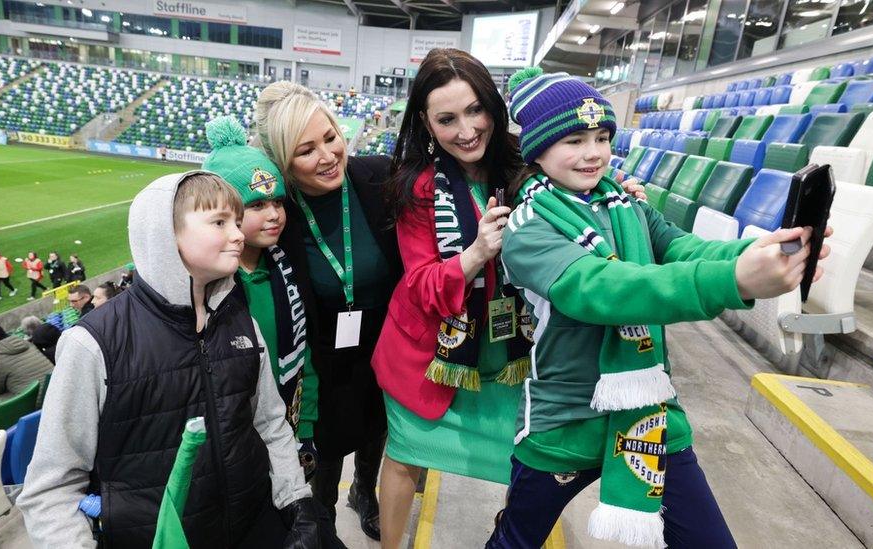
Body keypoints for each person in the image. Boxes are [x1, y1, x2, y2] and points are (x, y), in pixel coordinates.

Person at [487, 68, 832, 549]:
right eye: (574, 139)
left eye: (603, 136)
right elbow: (603, 289)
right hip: (566, 418)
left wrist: (763, 252)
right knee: (516, 542)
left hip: (648, 412)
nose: (593, 153)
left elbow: (684, 248)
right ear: (538, 149)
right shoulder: (527, 227)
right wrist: (734, 280)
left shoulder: (626, 204)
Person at [373, 49, 649, 548]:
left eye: (476, 110)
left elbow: (586, 198)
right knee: (404, 455)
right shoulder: (415, 186)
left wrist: (618, 197)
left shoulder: (531, 166)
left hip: (511, 357)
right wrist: (475, 254)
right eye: (447, 119)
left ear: (495, 108)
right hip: (427, 356)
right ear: (425, 121)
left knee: (519, 465)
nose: (466, 130)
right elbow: (419, 284)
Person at [17, 171, 341, 547]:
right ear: (165, 233)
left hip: (255, 526)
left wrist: (294, 501)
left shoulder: (243, 323)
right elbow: (52, 488)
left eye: (236, 222)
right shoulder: (92, 344)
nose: (238, 234)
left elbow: (270, 424)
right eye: (219, 222)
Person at [256, 81, 403, 540]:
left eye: (331, 137)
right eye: (306, 150)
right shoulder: (280, 216)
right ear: (283, 161)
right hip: (323, 355)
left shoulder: (378, 176)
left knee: (377, 424)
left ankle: (364, 490)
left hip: (385, 342)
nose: (327, 155)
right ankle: (322, 518)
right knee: (328, 442)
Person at [201, 115, 321, 481]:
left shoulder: (286, 269)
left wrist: (307, 429)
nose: (274, 216)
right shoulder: (207, 286)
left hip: (287, 428)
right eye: (256, 206)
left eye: (278, 203)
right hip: (228, 441)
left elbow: (305, 355)